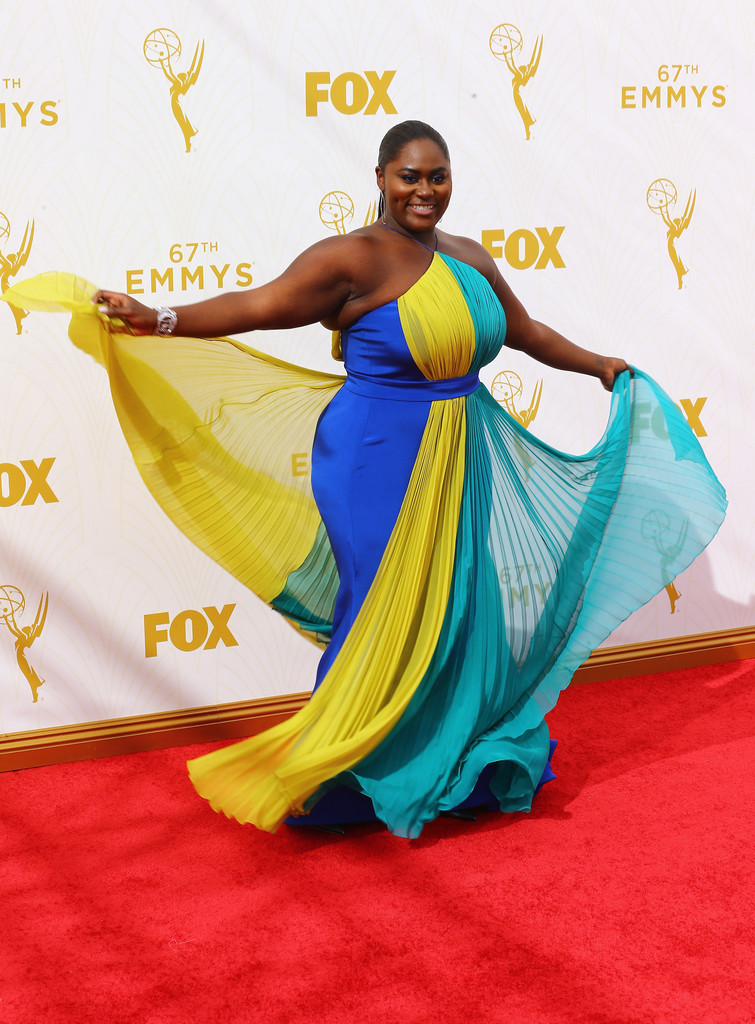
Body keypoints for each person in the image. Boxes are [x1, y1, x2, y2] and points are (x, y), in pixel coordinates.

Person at [7, 121, 726, 838]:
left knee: (456, 602)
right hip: (374, 456)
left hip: (462, 449)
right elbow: (259, 306)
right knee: (380, 605)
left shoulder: (469, 257)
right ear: (380, 178)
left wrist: (598, 364)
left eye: (437, 176)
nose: (424, 190)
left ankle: (441, 761)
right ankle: (344, 771)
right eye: (409, 176)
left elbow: (524, 331)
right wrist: (160, 316)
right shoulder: (349, 257)